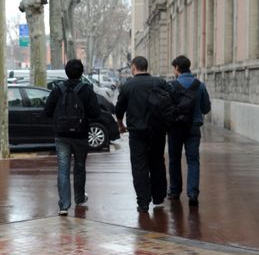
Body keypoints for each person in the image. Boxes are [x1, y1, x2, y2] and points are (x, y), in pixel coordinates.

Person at [44, 59, 101, 216]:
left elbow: (47, 111)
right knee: (80, 166)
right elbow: (96, 112)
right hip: (80, 134)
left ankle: (64, 205)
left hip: (61, 134)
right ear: (82, 73)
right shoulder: (87, 90)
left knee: (63, 168)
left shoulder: (58, 89)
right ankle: (79, 197)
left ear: (66, 72)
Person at [115, 56, 172, 213]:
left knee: (139, 166)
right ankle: (159, 196)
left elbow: (119, 108)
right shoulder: (159, 82)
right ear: (147, 67)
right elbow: (171, 99)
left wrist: (121, 124)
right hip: (158, 131)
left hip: (137, 132)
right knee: (157, 162)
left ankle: (143, 202)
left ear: (133, 68)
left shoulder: (128, 86)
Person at [167, 55, 211, 207]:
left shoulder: (171, 86)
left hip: (175, 128)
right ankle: (192, 194)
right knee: (193, 161)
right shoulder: (200, 85)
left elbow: (167, 108)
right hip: (193, 128)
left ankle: (174, 191)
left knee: (174, 160)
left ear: (177, 68)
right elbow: (206, 108)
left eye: (174, 68)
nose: (173, 71)